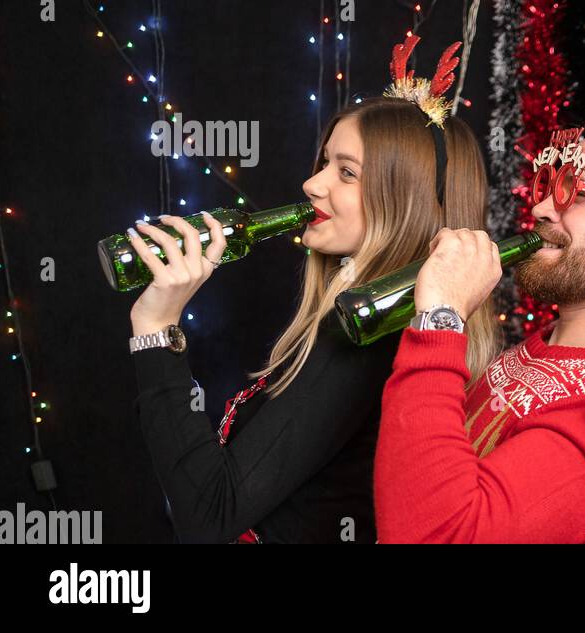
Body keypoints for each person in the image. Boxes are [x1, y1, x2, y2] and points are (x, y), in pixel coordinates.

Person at [126, 37, 498, 543]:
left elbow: (209, 517)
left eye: (346, 172)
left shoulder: (369, 337)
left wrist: (156, 328)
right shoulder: (371, 322)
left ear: (403, 199)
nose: (312, 184)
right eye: (324, 162)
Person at [373, 112, 585, 543]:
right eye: (549, 186)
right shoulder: (546, 345)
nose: (538, 208)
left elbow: (435, 535)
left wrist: (440, 320)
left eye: (577, 193)